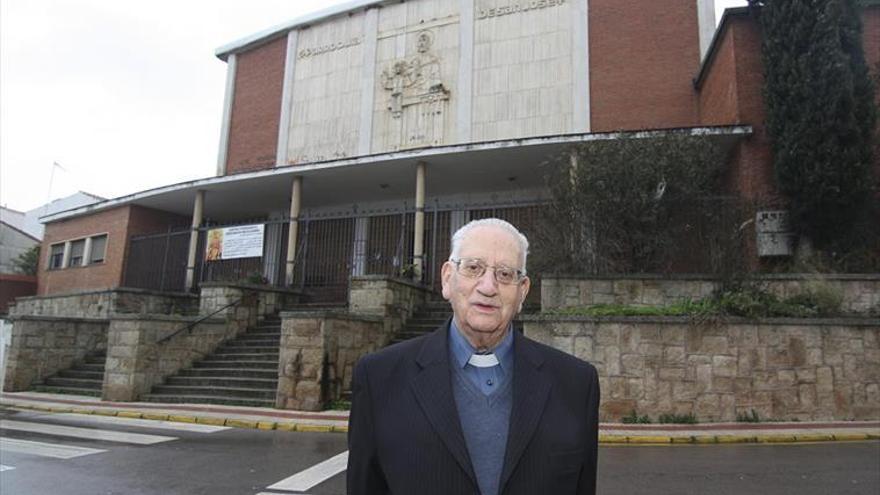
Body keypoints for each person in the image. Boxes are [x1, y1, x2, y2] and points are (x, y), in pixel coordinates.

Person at [347, 218, 600, 495]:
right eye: (473, 268)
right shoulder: (379, 378)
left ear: (522, 291)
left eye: (505, 274)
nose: (488, 286)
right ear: (447, 279)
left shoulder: (576, 385)